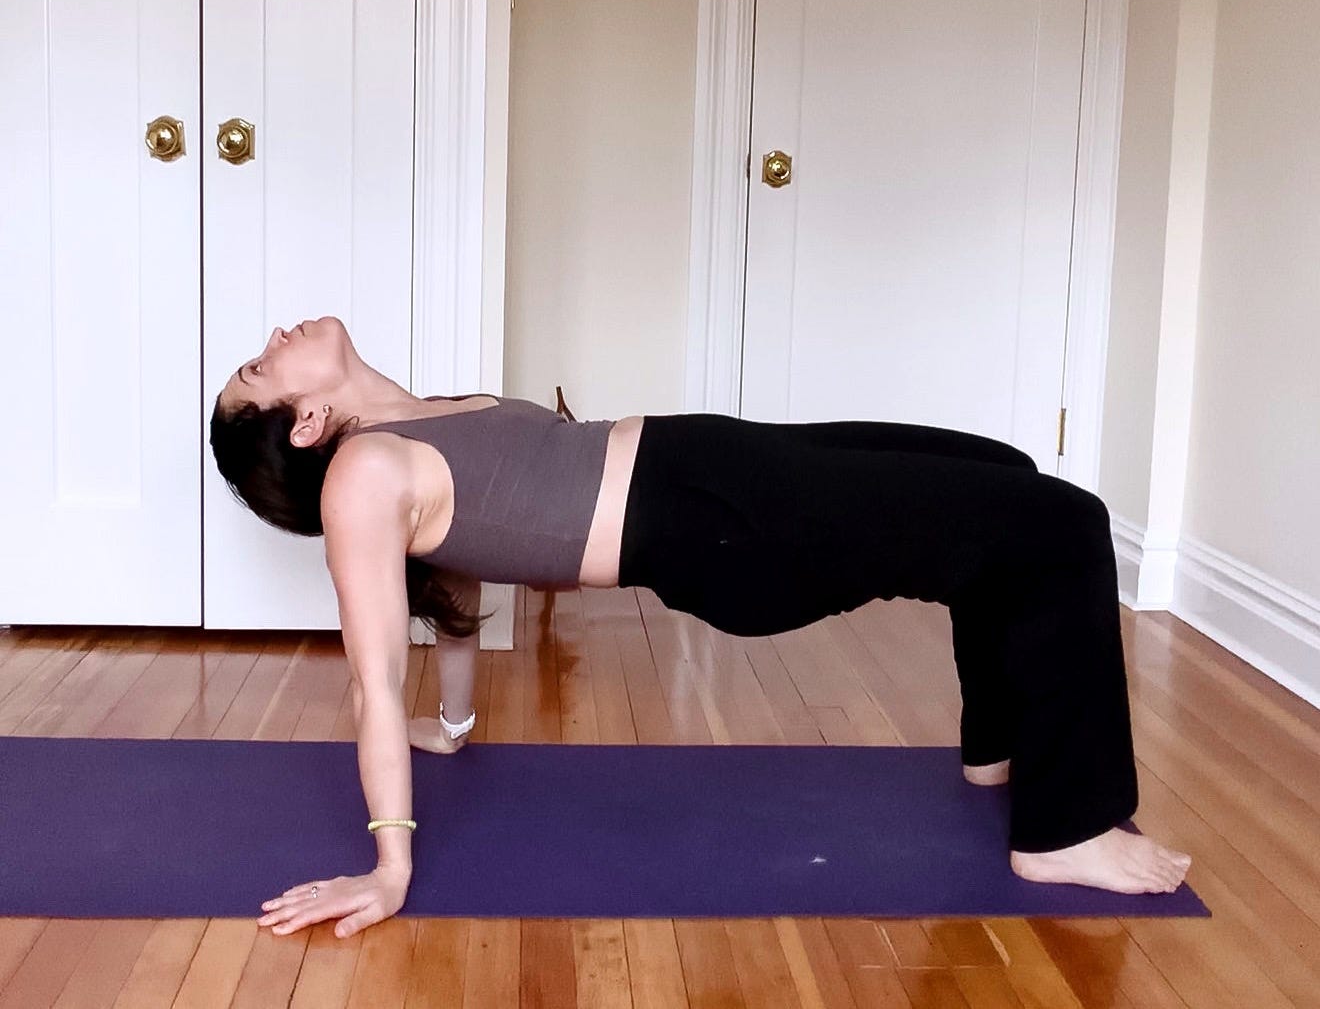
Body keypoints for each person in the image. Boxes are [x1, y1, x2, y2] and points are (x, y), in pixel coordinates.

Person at [210, 315, 1191, 939]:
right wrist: (389, 869)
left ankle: (997, 748)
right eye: (261, 365)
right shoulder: (362, 475)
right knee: (1065, 525)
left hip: (717, 470)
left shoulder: (416, 422)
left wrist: (457, 724)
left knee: (1005, 473)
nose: (276, 336)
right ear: (305, 423)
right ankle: (1062, 831)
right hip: (726, 529)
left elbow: (452, 573)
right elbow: (375, 678)